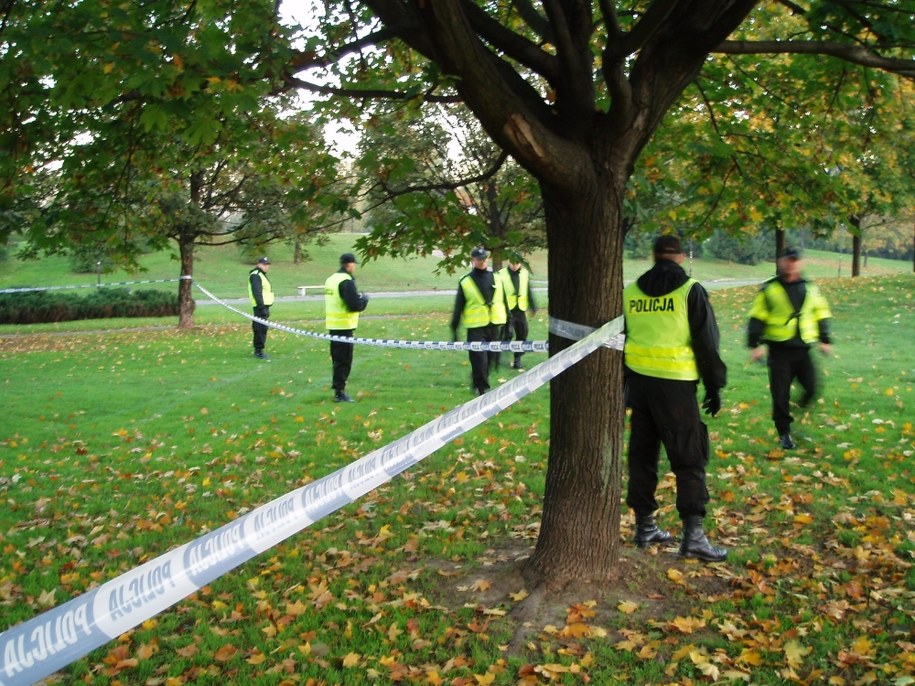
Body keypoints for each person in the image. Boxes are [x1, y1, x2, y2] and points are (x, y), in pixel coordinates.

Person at [623, 235, 728, 562]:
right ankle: (693, 536)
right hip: (676, 388)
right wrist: (714, 387)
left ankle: (645, 527)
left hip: (639, 386)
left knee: (643, 456)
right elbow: (706, 344)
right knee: (689, 458)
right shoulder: (689, 290)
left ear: (654, 256)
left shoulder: (632, 292)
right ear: (680, 256)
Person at [747, 246, 832, 449]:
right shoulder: (770, 289)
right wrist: (755, 344)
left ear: (800, 263)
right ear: (781, 262)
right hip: (779, 351)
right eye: (788, 259)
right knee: (780, 395)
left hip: (803, 350)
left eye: (795, 260)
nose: (792, 263)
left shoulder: (810, 288)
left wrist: (825, 339)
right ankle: (784, 433)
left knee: (812, 388)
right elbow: (757, 317)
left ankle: (801, 403)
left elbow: (821, 312)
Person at [450, 246, 509, 396]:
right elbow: (459, 306)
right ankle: (483, 389)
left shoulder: (497, 278)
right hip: (476, 327)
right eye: (479, 259)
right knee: (479, 359)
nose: (482, 262)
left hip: (494, 324)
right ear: (473, 261)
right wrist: (454, 329)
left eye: (484, 259)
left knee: (490, 358)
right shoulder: (465, 281)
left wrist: (509, 323)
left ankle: (478, 380)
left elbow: (504, 301)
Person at [325, 252, 369, 403]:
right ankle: (340, 392)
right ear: (349, 264)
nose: (354, 267)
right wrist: (364, 300)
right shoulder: (346, 281)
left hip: (333, 325)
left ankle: (338, 389)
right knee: (344, 361)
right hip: (344, 326)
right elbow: (354, 305)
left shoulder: (331, 279)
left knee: (337, 360)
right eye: (354, 264)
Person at [497, 260, 538, 371]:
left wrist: (533, 306)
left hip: (520, 310)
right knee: (506, 335)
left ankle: (517, 360)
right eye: (512, 262)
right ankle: (497, 357)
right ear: (509, 262)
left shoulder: (524, 273)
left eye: (517, 263)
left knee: (523, 334)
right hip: (506, 310)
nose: (515, 265)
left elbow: (528, 290)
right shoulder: (501, 274)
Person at [248, 256, 274, 360]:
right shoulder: (256, 275)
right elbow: (257, 293)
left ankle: (260, 349)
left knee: (263, 328)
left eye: (267, 264)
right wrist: (262, 307)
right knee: (259, 328)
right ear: (258, 264)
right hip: (260, 307)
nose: (266, 267)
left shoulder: (261, 275)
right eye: (264, 264)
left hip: (264, 306)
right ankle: (258, 351)